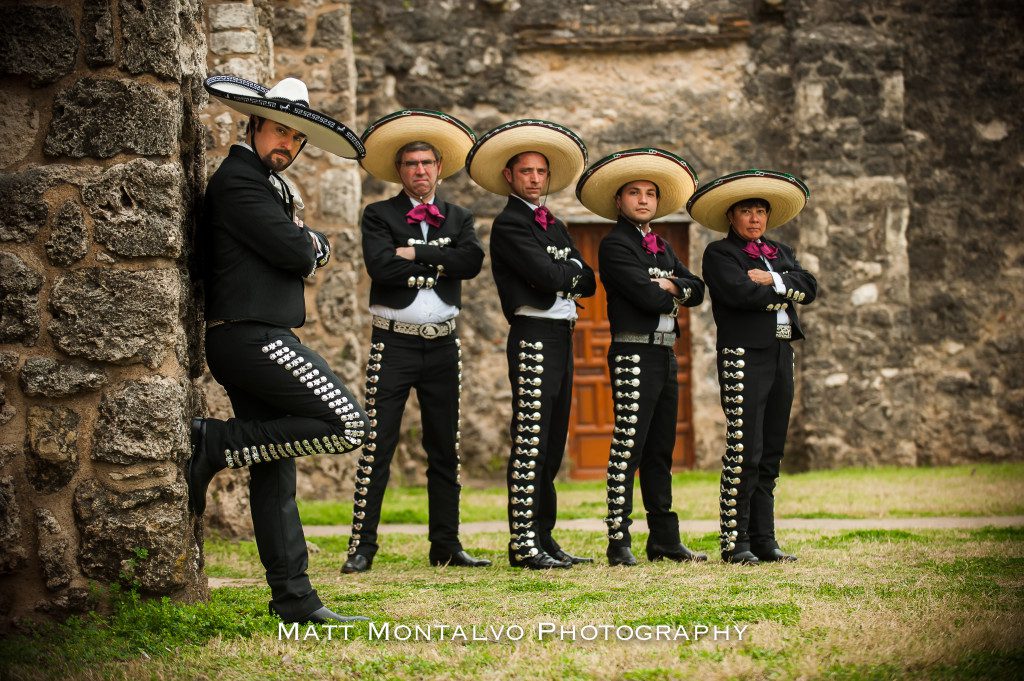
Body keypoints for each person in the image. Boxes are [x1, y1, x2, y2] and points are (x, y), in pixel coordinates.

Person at [190, 75, 369, 623]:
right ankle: (216, 441)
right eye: (280, 131)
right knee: (347, 424)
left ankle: (293, 599)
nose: (287, 145)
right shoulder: (240, 181)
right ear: (255, 124)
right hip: (251, 337)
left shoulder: (265, 185)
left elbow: (296, 246)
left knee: (276, 473)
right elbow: (295, 250)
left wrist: (307, 243)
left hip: (260, 335)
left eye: (297, 139)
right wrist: (313, 244)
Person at [341, 110, 489, 573]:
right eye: (411, 164)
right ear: (400, 171)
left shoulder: (459, 216)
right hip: (394, 344)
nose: (420, 171)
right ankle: (363, 547)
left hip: (445, 344)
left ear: (439, 169)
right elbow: (382, 268)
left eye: (427, 163)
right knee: (377, 444)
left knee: (445, 446)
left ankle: (446, 544)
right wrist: (439, 258)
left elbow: (471, 263)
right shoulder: (378, 214)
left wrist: (417, 252)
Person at [466, 119, 596, 569]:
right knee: (530, 438)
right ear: (510, 176)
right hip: (533, 335)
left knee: (554, 438)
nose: (535, 179)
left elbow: (589, 280)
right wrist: (566, 277)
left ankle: (545, 537)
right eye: (526, 172)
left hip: (562, 334)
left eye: (540, 172)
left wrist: (565, 276)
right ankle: (522, 541)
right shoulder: (508, 225)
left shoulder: (555, 225)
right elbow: (548, 277)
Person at [576, 148, 708, 567]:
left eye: (650, 193)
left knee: (660, 450)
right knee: (627, 446)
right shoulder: (615, 245)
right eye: (634, 192)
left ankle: (665, 540)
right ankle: (619, 541)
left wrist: (673, 284)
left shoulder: (662, 245)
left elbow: (699, 290)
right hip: (633, 352)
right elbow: (649, 297)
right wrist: (672, 286)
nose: (644, 199)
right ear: (620, 201)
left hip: (666, 354)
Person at [687, 169, 816, 564]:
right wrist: (782, 287)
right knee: (745, 448)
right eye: (747, 211)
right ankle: (735, 541)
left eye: (761, 211)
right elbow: (740, 293)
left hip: (780, 353)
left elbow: (809, 288)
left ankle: (765, 540)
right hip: (743, 354)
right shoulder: (720, 253)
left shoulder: (779, 253)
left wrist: (772, 279)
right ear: (732, 216)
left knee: (772, 450)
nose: (755, 218)